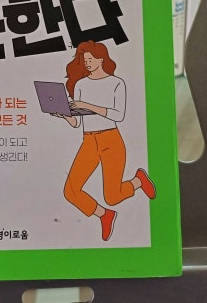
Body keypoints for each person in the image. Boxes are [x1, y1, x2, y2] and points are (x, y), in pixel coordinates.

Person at [53, 40, 156, 241]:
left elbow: (118, 115)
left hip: (111, 140)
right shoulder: (81, 84)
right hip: (89, 141)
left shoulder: (116, 83)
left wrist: (87, 105)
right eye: (85, 60)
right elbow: (77, 123)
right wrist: (64, 115)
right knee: (71, 191)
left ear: (101, 59)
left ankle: (138, 180)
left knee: (113, 196)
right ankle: (104, 214)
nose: (87, 63)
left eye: (90, 59)